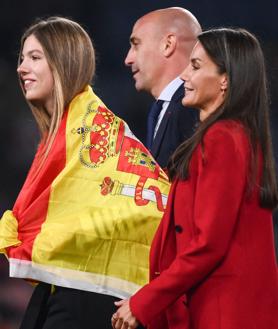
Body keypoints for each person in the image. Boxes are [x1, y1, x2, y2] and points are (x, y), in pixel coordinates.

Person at [0, 17, 170, 329]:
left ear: (63, 63)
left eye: (35, 58)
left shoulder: (93, 130)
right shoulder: (71, 129)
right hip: (79, 282)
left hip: (97, 291)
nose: (22, 68)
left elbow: (155, 205)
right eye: (22, 58)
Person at [112, 28, 278, 329]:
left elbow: (207, 243)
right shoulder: (238, 136)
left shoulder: (223, 140)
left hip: (223, 313)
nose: (185, 75)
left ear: (225, 80)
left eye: (196, 66)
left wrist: (145, 301)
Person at [125, 7, 201, 168]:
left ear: (168, 45)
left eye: (136, 45)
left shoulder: (192, 109)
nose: (128, 59)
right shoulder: (169, 108)